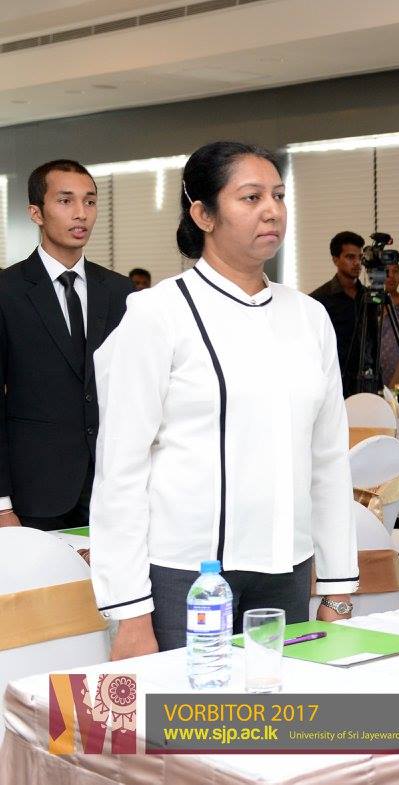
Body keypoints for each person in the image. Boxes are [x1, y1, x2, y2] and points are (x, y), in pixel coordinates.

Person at [91, 141, 359, 659]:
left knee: (280, 707)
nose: (272, 210)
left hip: (287, 569)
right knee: (191, 710)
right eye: (251, 197)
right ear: (204, 214)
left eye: (278, 195)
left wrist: (338, 588)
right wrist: (130, 612)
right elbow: (121, 468)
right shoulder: (157, 313)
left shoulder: (309, 317)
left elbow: (327, 459)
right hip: (185, 575)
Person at [0, 159, 133, 531]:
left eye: (89, 201)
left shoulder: (120, 291)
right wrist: (1, 505)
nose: (81, 213)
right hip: (33, 493)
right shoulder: (7, 291)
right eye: (65, 201)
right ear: (36, 213)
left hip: (110, 491)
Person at [310, 230, 365, 389]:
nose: (357, 263)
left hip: (368, 382)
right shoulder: (318, 299)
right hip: (334, 382)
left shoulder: (369, 297)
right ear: (335, 260)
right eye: (350, 257)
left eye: (360, 257)